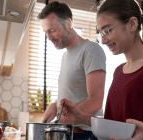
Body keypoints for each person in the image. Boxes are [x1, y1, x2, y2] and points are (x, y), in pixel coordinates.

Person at [59, 0, 143, 139]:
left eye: (107, 30)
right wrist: (80, 117)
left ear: (132, 24)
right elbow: (114, 125)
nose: (103, 40)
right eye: (100, 33)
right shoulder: (118, 72)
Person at [38, 1, 107, 140]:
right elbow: (74, 92)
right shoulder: (66, 55)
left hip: (86, 135)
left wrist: (65, 119)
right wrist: (55, 105)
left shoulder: (91, 50)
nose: (49, 37)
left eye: (52, 30)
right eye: (46, 32)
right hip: (69, 133)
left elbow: (95, 100)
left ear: (68, 23)